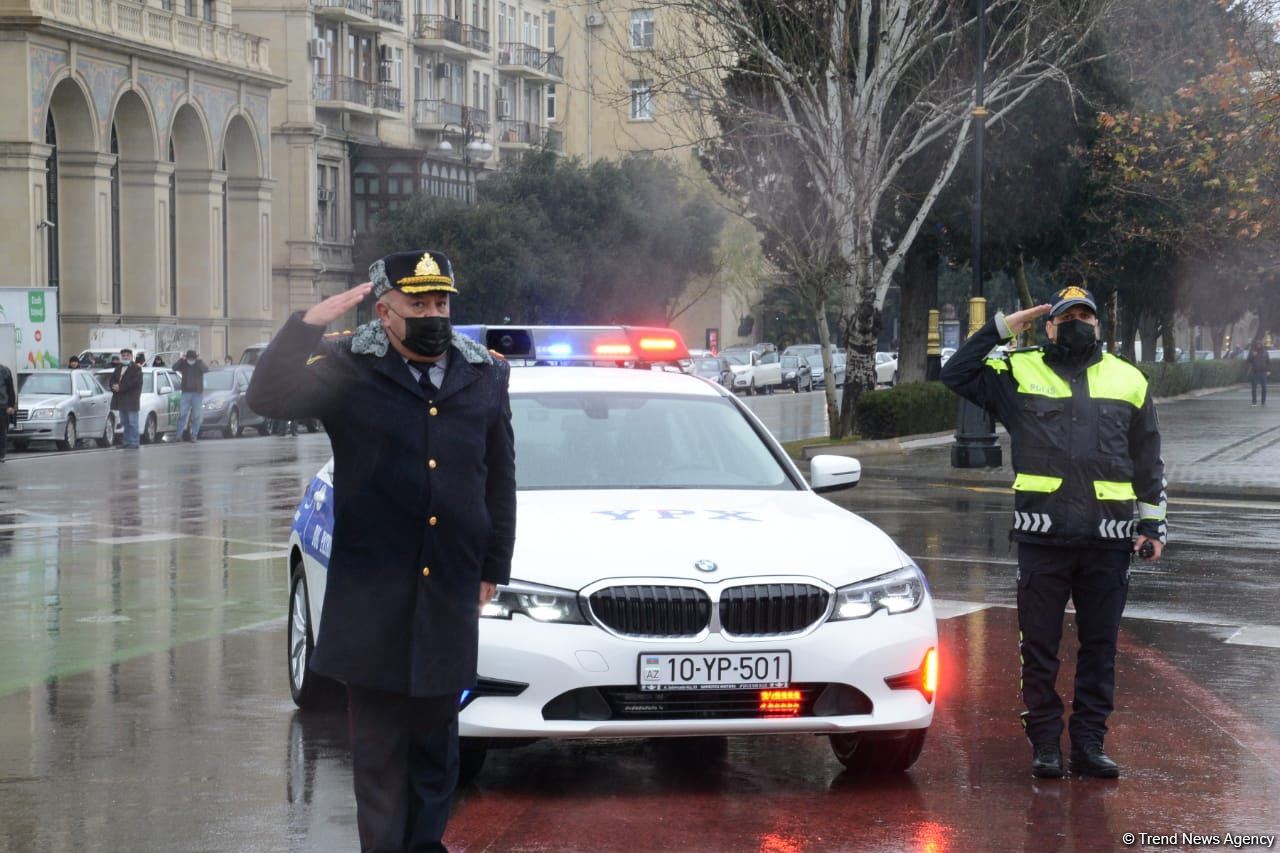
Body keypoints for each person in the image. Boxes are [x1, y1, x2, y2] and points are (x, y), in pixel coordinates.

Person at [246, 250, 516, 852]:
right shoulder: (349, 366)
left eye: (441, 302)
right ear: (385, 312)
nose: (433, 314)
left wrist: (492, 569)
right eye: (417, 303)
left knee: (436, 754)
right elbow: (266, 396)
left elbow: (498, 478)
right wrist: (307, 324)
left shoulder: (485, 373)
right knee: (379, 760)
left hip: (447, 592)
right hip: (373, 598)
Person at [941, 285, 1166, 780]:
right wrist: (1005, 326)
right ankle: (1045, 742)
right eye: (1067, 316)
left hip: (1108, 541)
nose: (1077, 322)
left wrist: (1153, 524)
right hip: (1042, 538)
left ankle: (1088, 743)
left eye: (1086, 314)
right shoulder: (1019, 372)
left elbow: (1149, 459)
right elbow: (955, 372)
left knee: (1100, 648)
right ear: (1049, 325)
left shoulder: (1128, 379)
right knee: (1038, 648)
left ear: (1099, 325)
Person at [110, 347, 144, 449]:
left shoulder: (136, 369)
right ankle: (126, 442)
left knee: (133, 422)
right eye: (123, 356)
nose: (125, 357)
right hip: (121, 399)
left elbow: (134, 383)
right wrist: (113, 386)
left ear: (131, 356)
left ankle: (134, 442)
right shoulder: (118, 367)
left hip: (132, 399)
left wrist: (120, 387)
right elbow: (112, 379)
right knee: (125, 422)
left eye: (127, 355)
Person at [173, 349, 207, 442]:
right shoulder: (184, 364)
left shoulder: (199, 364)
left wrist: (200, 360)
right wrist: (181, 359)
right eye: (189, 358)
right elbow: (174, 368)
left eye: (192, 358)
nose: (190, 360)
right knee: (182, 415)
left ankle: (194, 435)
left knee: (196, 416)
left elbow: (206, 369)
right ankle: (178, 436)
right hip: (186, 393)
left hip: (197, 393)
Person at [1247, 341, 1270, 406]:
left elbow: (1268, 362)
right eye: (1257, 345)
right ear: (1255, 345)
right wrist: (1252, 356)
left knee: (1264, 388)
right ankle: (1254, 402)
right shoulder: (1253, 352)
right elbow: (1248, 361)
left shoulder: (1265, 352)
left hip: (1263, 372)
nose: (1258, 346)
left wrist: (1268, 370)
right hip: (1255, 372)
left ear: (1261, 345)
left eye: (1259, 344)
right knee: (1254, 388)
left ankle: (1263, 402)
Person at [0, 358, 14, 463]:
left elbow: (10, 390)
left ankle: (1, 454)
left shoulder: (5, 371)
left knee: (2, 431)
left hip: (2, 406)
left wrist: (11, 405)